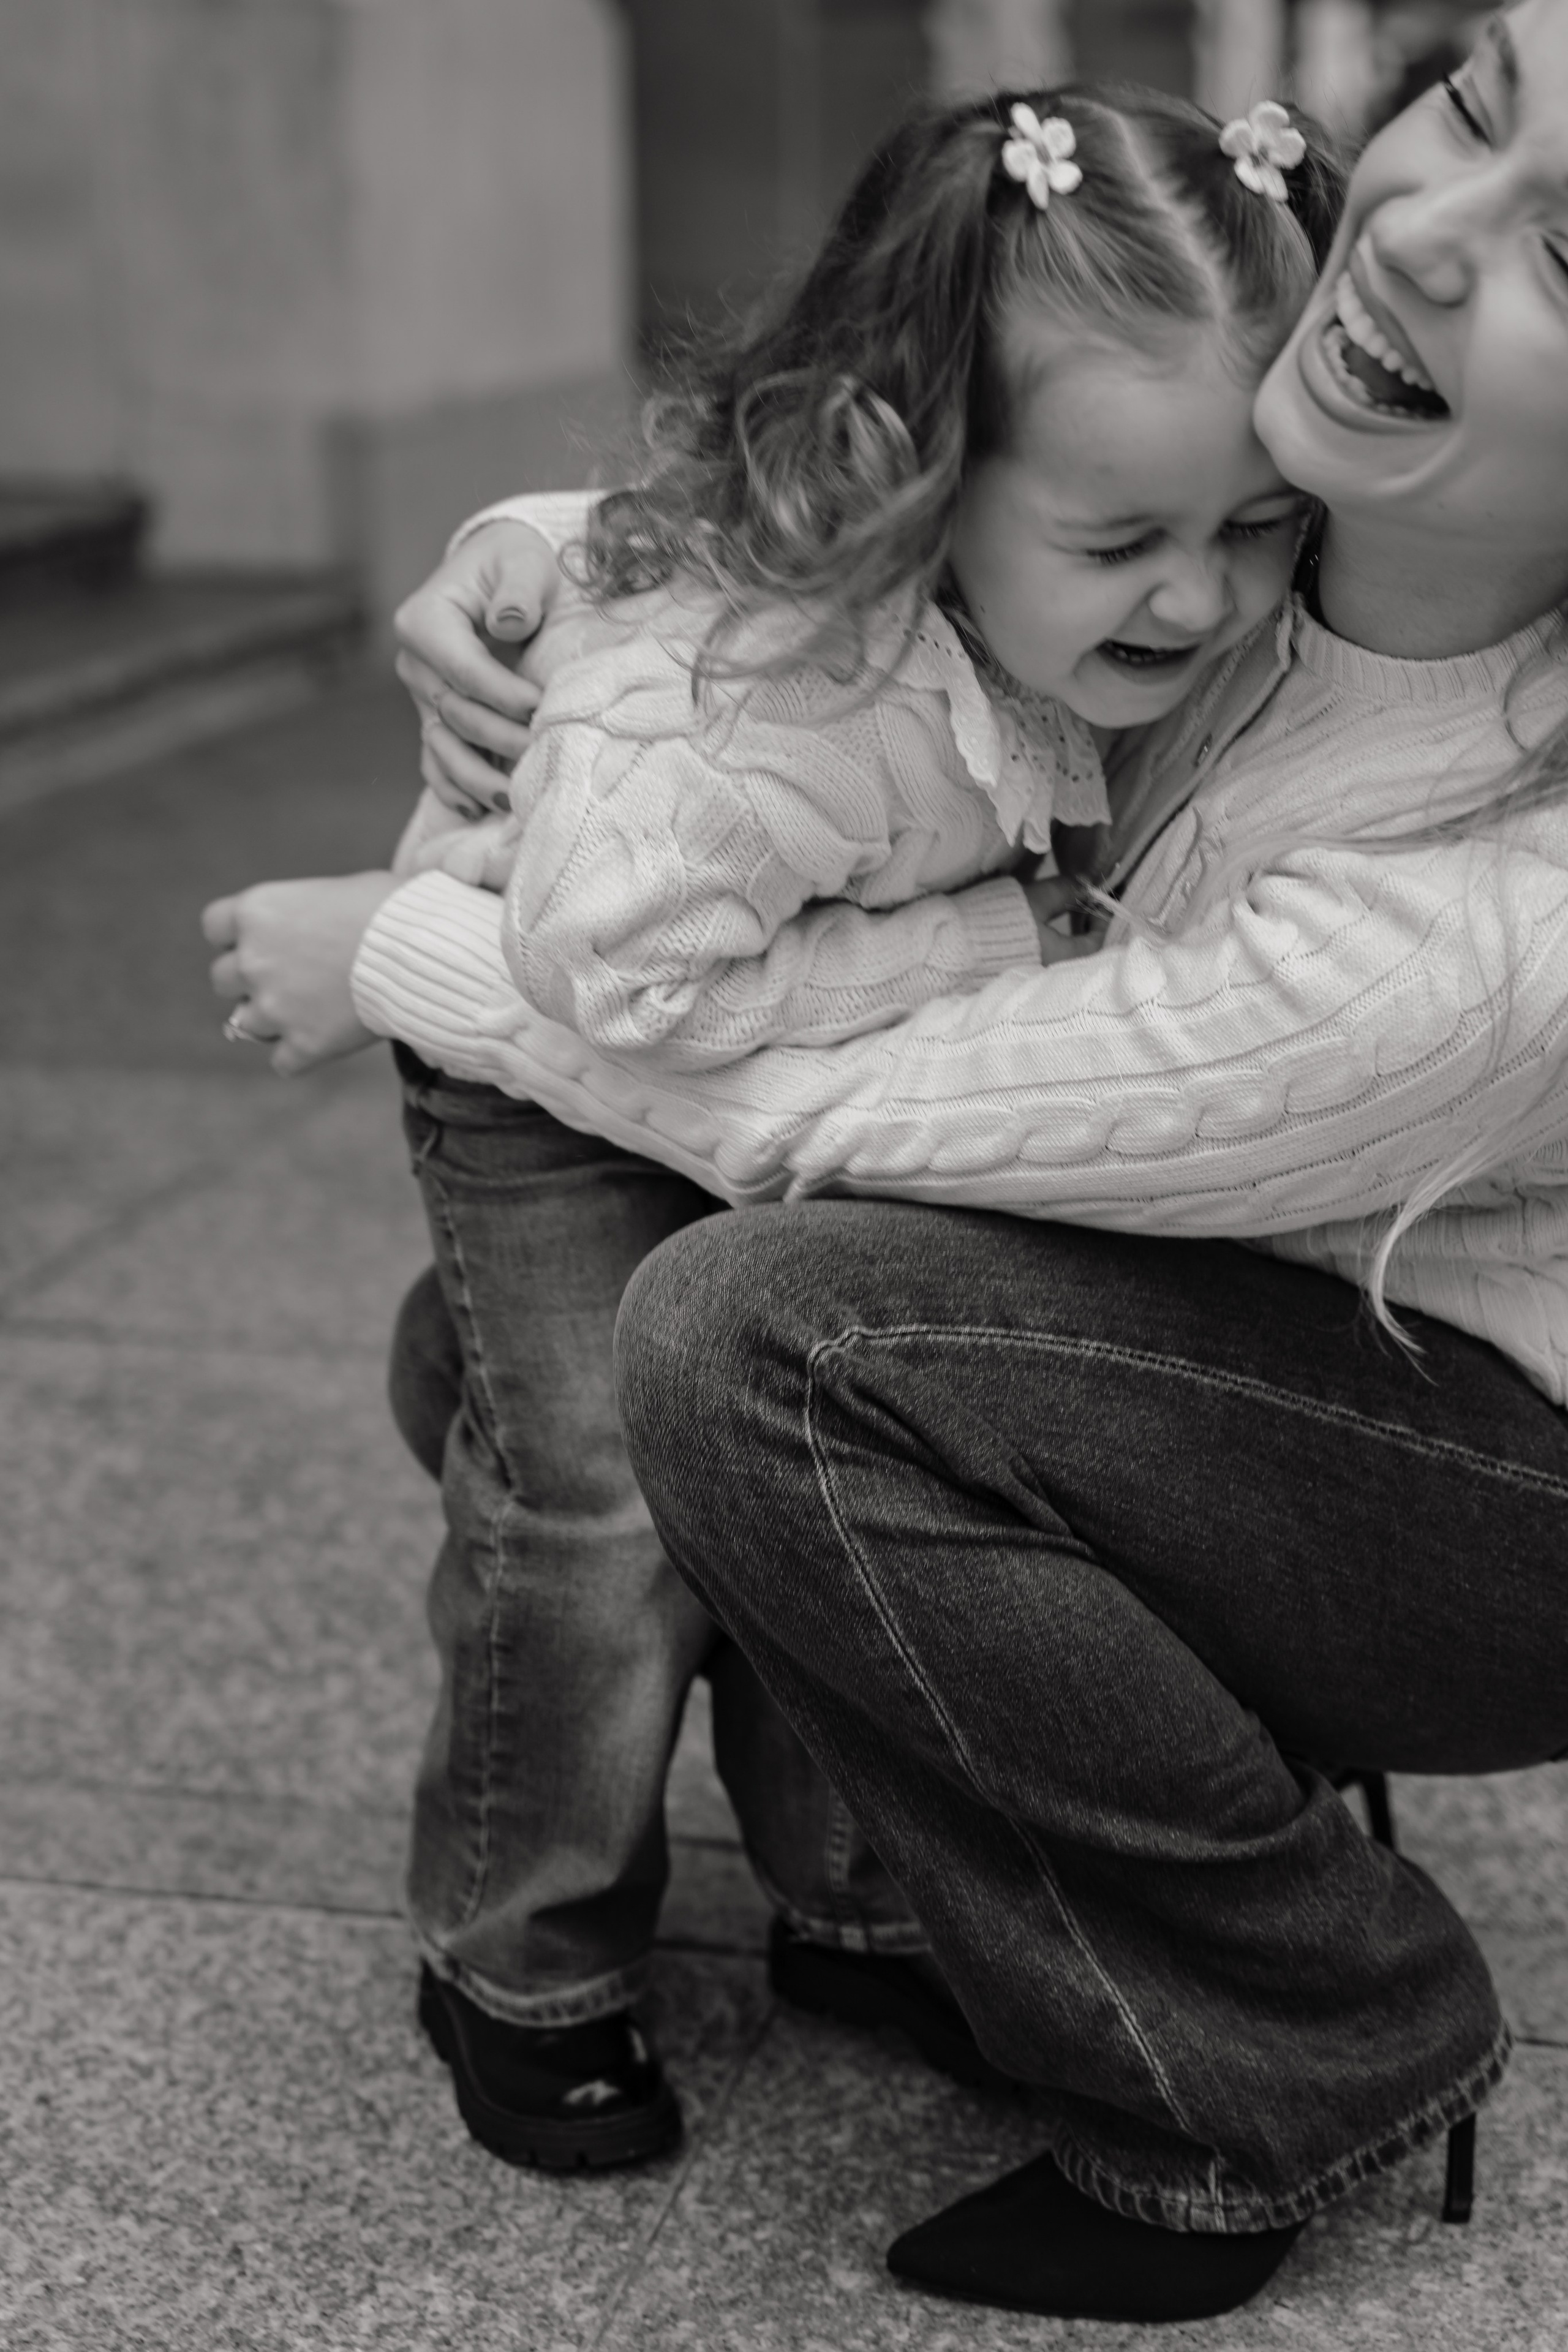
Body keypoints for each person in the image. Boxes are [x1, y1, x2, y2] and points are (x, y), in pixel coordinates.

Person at [205, 0, 1568, 2324]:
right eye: (1470, 105)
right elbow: (856, 527)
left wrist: (407, 946)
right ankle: (812, 1902)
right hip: (1240, 1315)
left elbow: (828, 1120)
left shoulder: (1489, 921)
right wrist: (524, 569)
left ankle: (1294, 2040)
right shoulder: (1300, 470)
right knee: (535, 1372)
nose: (1423, 227)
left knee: (750, 1348)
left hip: (1480, 1488)